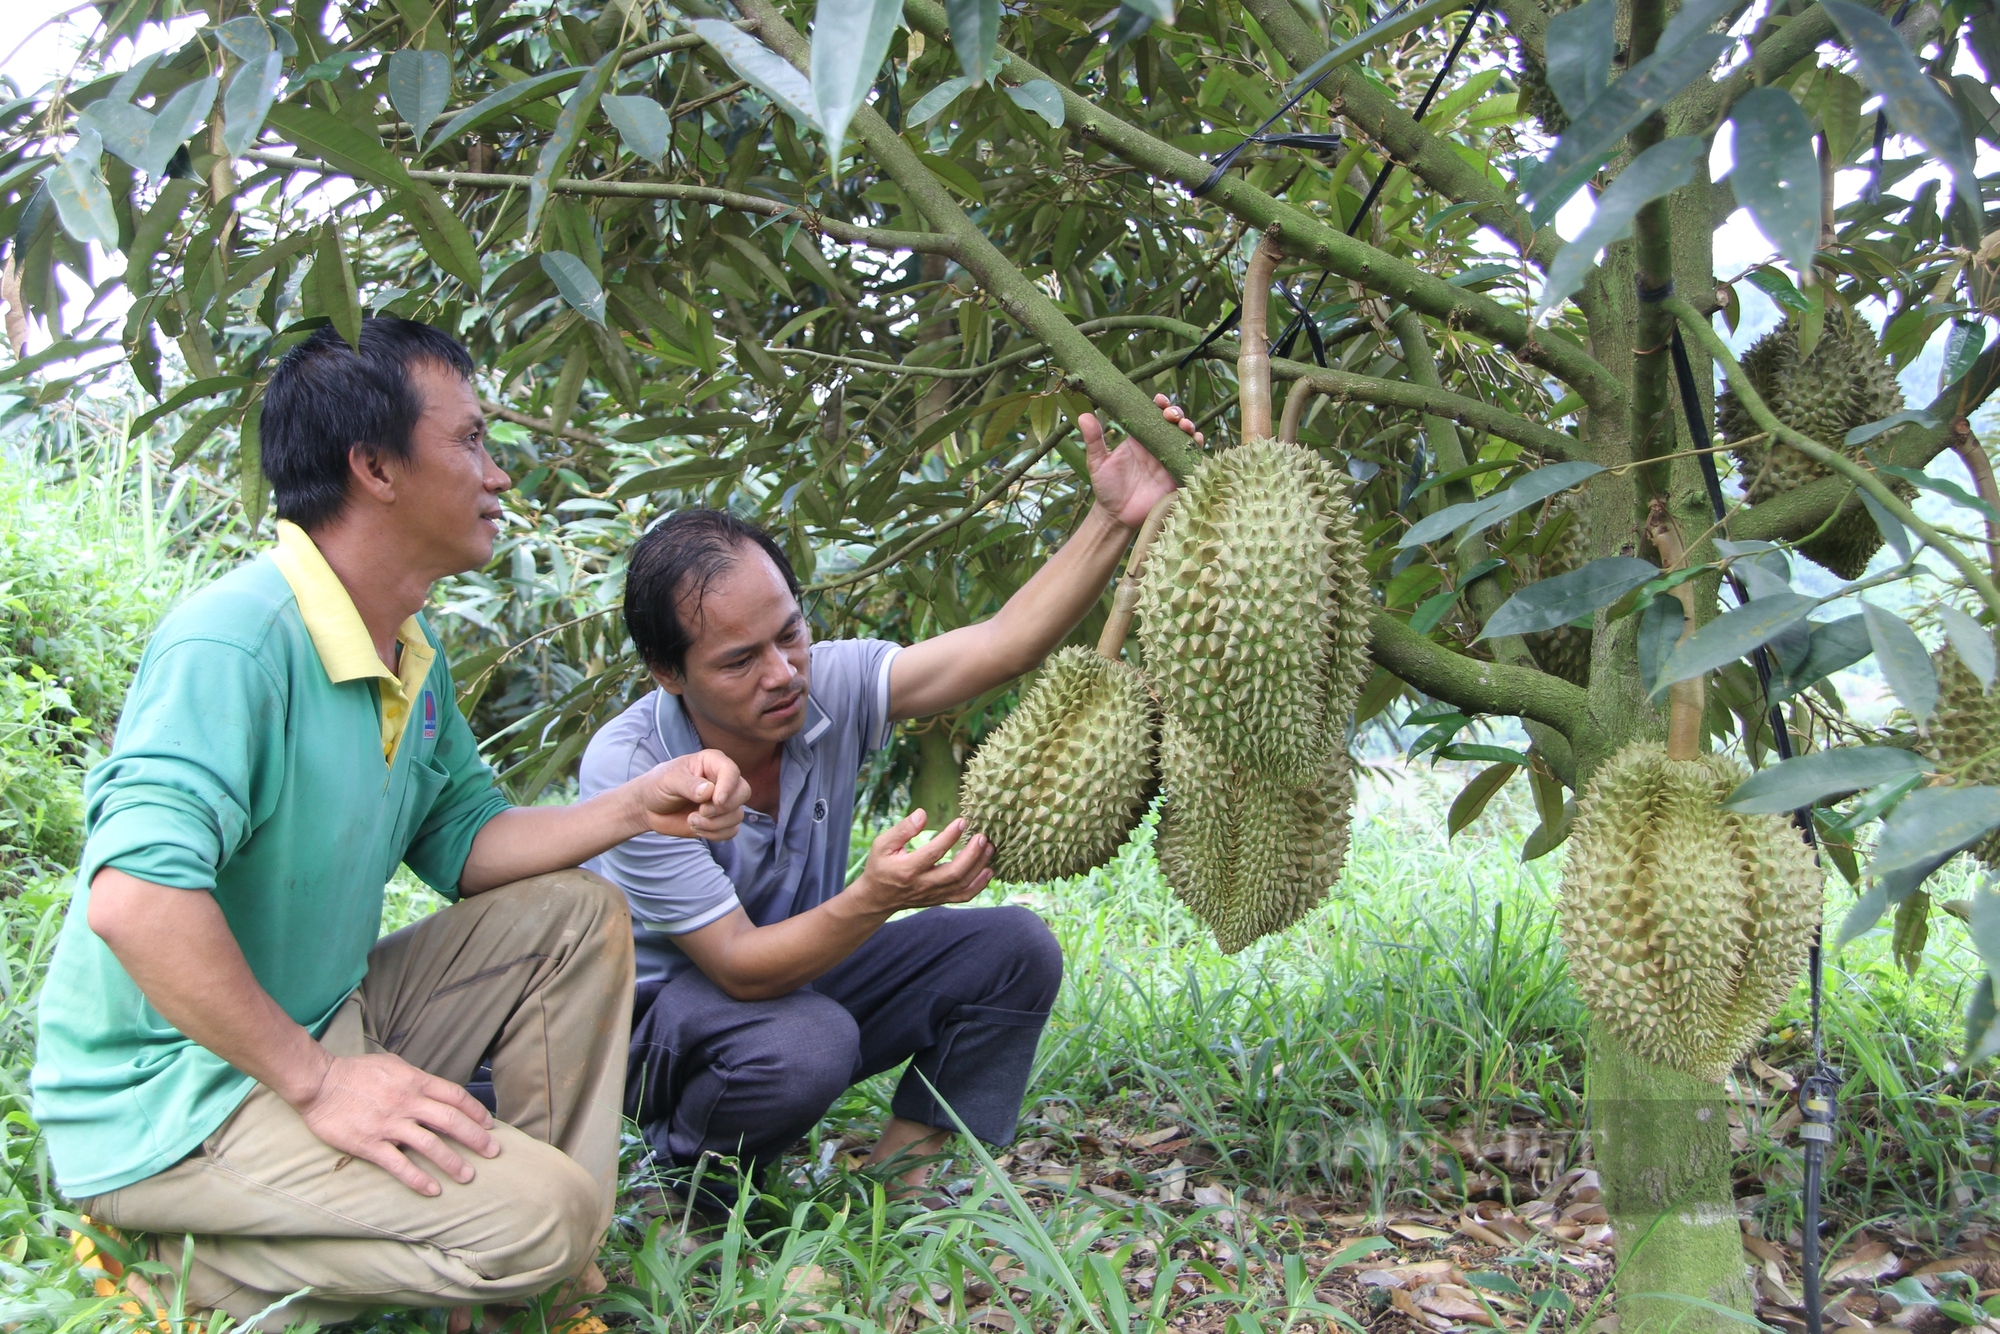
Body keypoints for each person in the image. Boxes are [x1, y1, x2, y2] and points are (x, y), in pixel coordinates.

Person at [30, 318, 752, 1332]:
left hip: (324, 1017)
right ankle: (181, 1262)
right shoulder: (235, 642)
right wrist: (319, 1081)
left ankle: (517, 1287)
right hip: (177, 1099)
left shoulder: (407, 651)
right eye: (468, 442)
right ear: (373, 465)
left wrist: (639, 802)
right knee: (542, 1224)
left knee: (575, 914)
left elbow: (467, 845)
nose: (497, 475)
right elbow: (135, 900)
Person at [581, 397, 1200, 1203]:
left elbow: (1001, 645)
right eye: (740, 661)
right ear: (670, 674)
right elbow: (736, 966)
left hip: (794, 984)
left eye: (790, 634)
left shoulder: (823, 683)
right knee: (807, 1041)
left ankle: (894, 1188)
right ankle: (692, 1182)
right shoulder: (630, 768)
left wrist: (1113, 519)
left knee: (1014, 949)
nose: (783, 673)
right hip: (659, 1034)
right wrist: (875, 899)